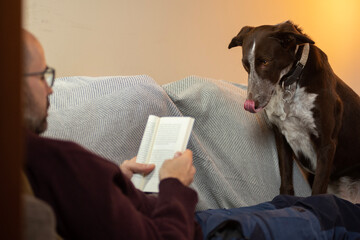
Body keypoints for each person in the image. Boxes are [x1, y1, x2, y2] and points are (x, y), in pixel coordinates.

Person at [23, 30, 360, 240]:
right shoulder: (44, 159)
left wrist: (117, 179)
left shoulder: (32, 161)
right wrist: (172, 183)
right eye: (42, 76)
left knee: (287, 204)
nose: (51, 89)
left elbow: (90, 210)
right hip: (198, 230)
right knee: (332, 216)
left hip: (195, 220)